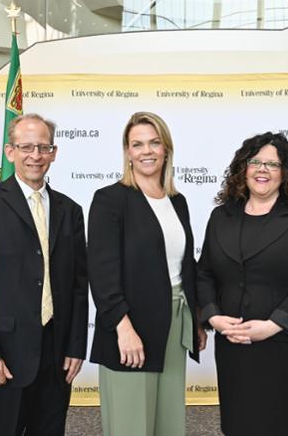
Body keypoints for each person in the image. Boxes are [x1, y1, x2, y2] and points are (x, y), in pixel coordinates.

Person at [0, 113, 89, 435]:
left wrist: (75, 346)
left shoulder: (70, 211)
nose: (35, 156)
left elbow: (77, 285)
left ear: (54, 153)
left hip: (56, 357)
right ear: (10, 151)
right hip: (3, 359)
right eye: (26, 146)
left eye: (43, 147)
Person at [197, 132, 288, 436]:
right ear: (243, 168)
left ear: (286, 172)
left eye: (272, 164)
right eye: (255, 162)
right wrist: (214, 317)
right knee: (239, 424)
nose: (262, 170)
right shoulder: (221, 216)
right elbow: (204, 273)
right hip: (234, 344)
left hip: (284, 345)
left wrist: (273, 325)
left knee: (282, 425)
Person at [87, 111, 206, 436]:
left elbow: (183, 265)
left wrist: (196, 319)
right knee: (132, 425)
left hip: (173, 324)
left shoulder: (177, 201)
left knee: (168, 422)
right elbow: (101, 273)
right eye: (137, 144)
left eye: (154, 142)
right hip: (131, 325)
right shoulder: (110, 200)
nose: (146, 150)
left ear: (166, 148)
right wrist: (123, 329)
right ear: (127, 152)